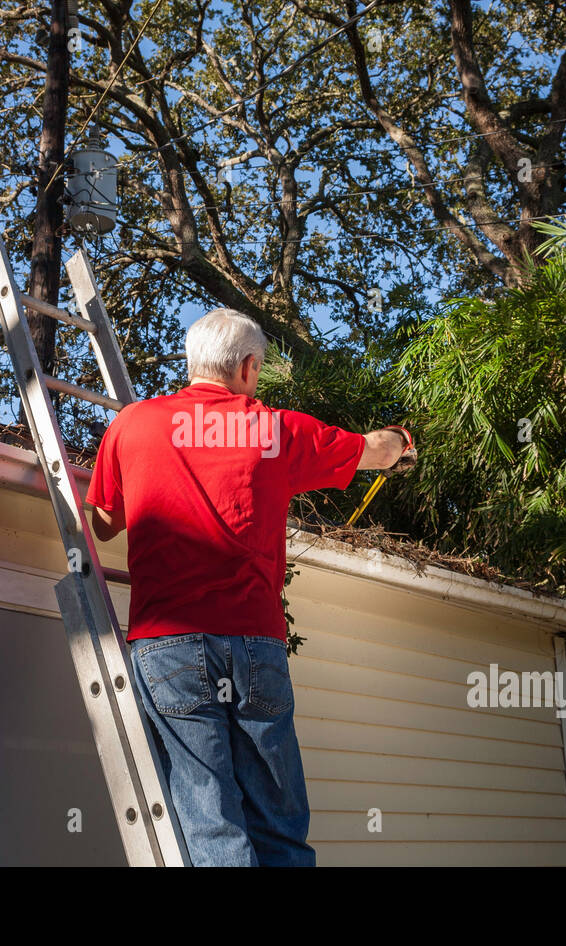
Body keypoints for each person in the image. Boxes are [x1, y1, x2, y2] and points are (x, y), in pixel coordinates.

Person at [84, 308, 416, 866]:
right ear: (247, 366)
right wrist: (402, 439)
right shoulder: (277, 429)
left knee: (211, 827)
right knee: (280, 828)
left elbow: (101, 522)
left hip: (169, 645)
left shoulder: (131, 425)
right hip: (255, 647)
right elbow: (374, 450)